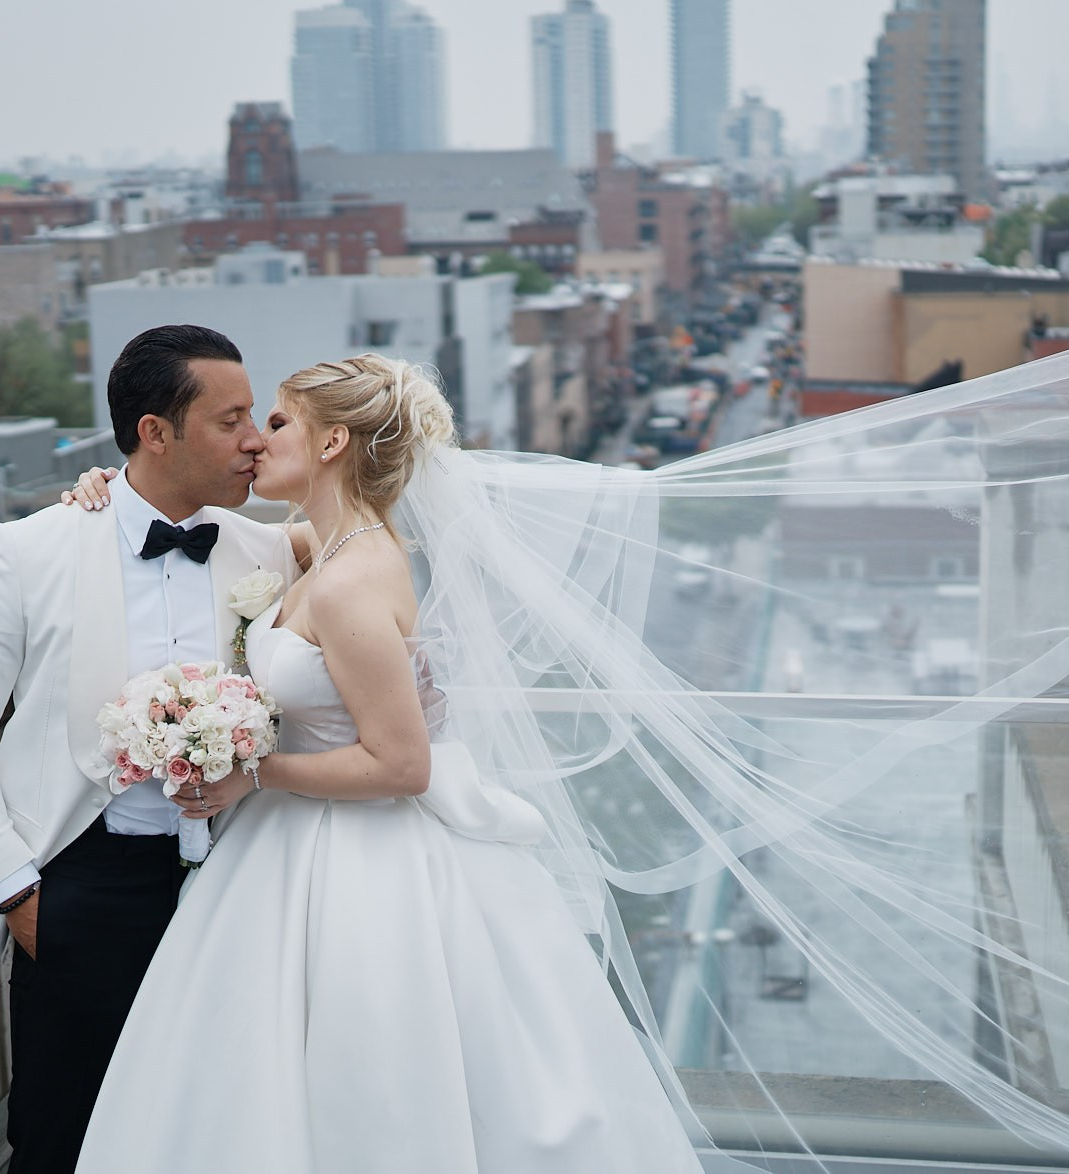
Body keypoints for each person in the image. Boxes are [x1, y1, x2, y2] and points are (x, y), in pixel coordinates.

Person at [65, 355, 705, 1172]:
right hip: (289, 846)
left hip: (357, 856)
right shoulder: (319, 551)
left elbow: (403, 765)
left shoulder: (349, 582)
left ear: (333, 442)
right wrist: (106, 488)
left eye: (280, 422)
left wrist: (255, 774)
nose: (259, 442)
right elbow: (210, 529)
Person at [0, 325, 303, 1173]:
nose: (254, 439)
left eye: (258, 417)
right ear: (154, 432)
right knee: (62, 1138)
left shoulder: (271, 550)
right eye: (231, 418)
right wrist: (16, 891)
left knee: (221, 1133)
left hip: (239, 884)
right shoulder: (27, 550)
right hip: (76, 887)